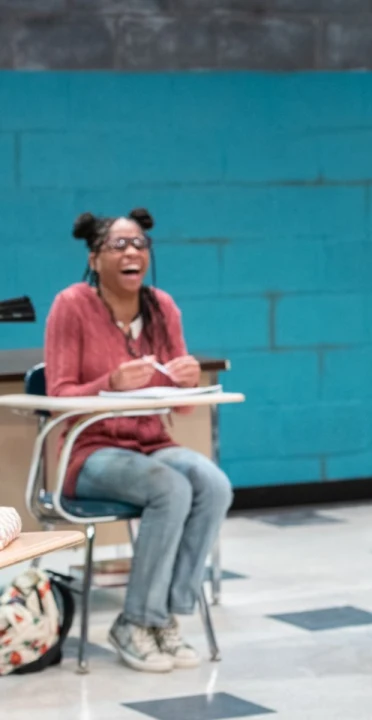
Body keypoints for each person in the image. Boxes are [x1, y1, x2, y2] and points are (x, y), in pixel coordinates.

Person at [44, 209, 233, 673]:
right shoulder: (71, 304)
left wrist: (187, 382)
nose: (132, 252)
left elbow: (181, 409)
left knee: (212, 483)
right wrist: (110, 382)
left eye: (140, 245)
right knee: (170, 488)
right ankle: (134, 622)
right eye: (119, 245)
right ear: (94, 257)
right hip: (90, 453)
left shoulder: (162, 306)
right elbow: (57, 398)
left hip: (151, 443)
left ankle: (164, 616)